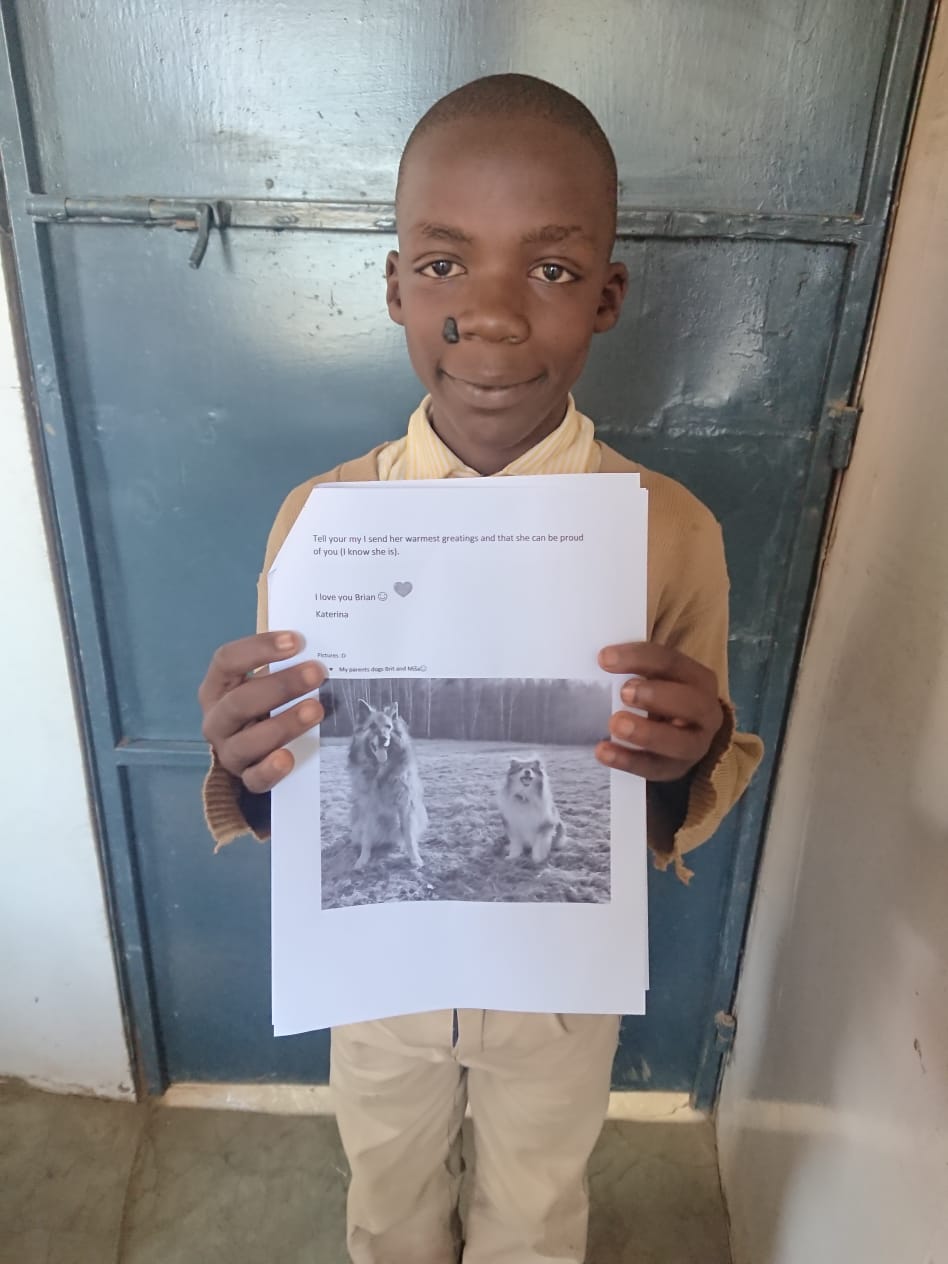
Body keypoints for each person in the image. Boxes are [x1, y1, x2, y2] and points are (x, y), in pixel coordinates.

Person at [198, 74, 763, 1264]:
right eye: (445, 264)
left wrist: (687, 756)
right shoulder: (321, 521)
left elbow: (669, 808)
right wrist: (250, 770)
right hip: (378, 982)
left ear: (607, 295)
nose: (493, 317)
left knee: (538, 1212)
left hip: (555, 991)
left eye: (551, 269)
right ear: (395, 283)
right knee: (388, 1201)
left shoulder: (670, 532)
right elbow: (299, 788)